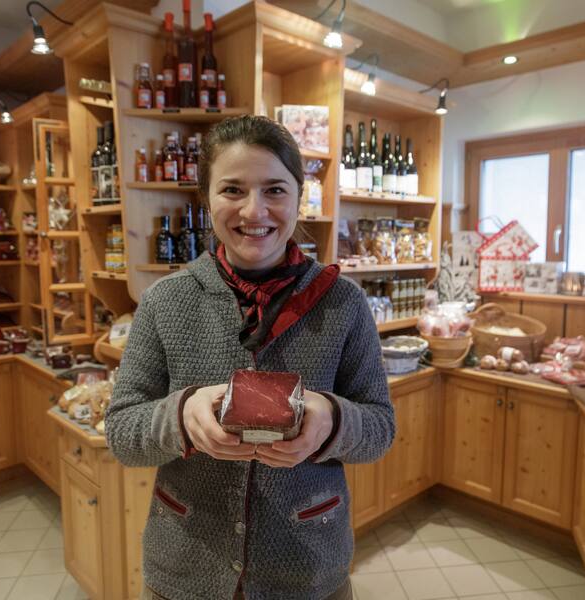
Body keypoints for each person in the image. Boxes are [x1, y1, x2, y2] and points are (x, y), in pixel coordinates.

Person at [106, 115, 395, 600]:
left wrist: (333, 419)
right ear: (207, 199)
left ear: (299, 198)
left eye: (275, 190)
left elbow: (381, 428)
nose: (254, 210)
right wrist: (181, 416)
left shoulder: (342, 302)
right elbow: (121, 433)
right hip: (185, 571)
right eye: (233, 190)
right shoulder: (164, 302)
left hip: (308, 571)